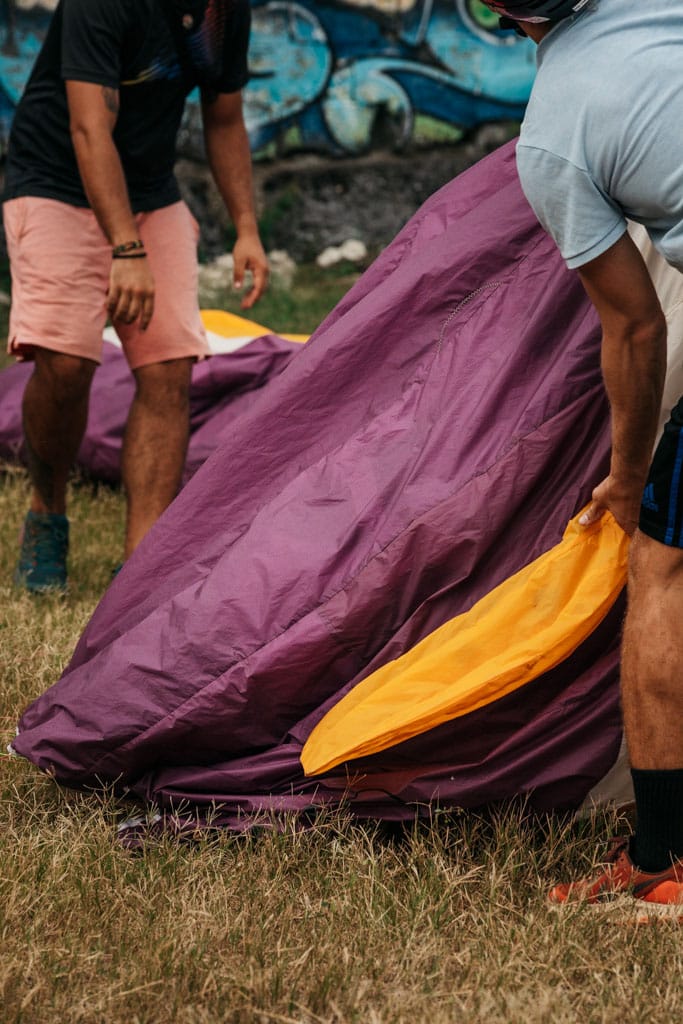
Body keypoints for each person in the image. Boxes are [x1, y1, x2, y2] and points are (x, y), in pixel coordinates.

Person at [481, 0, 683, 913]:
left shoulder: (553, 136)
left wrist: (629, 476)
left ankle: (662, 857)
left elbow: (634, 326)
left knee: (664, 569)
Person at [3, 0, 268, 592]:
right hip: (54, 180)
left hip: (152, 189)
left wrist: (247, 227)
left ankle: (140, 569)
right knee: (66, 364)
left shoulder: (224, 12)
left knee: (169, 366)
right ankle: (47, 513)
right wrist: (126, 251)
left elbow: (224, 118)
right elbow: (87, 127)